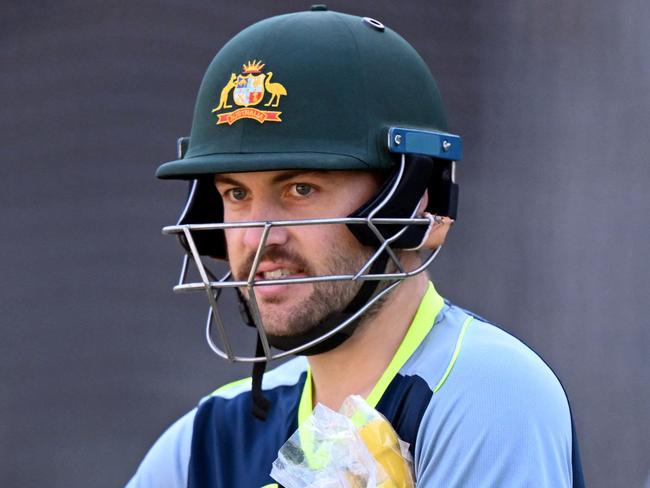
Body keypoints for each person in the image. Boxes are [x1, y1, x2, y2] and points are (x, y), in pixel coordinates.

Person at [127, 6, 584, 487]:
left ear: (413, 201)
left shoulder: (487, 392)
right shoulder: (210, 437)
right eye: (236, 194)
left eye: (300, 189)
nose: (258, 237)